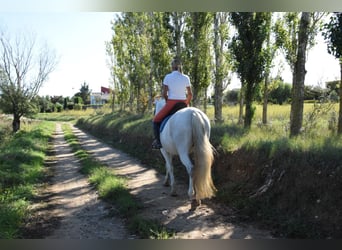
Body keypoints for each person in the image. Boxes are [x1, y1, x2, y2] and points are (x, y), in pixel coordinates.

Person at [152, 58, 193, 149]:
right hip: (183, 103)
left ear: (172, 66)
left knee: (155, 120)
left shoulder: (168, 77)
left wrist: (167, 101)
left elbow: (164, 94)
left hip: (171, 102)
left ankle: (158, 142)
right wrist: (186, 103)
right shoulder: (186, 77)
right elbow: (190, 94)